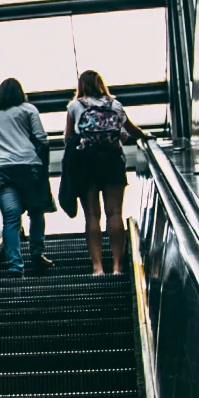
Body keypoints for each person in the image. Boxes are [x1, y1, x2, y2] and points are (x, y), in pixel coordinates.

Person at [0, 77, 53, 275]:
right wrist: (43, 165)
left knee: (11, 218)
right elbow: (42, 139)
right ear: (20, 93)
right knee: (36, 211)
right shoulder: (29, 110)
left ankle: (15, 265)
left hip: (1, 170)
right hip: (28, 167)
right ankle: (37, 253)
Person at [65, 70, 145, 276]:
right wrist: (147, 136)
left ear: (81, 85)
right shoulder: (115, 104)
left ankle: (97, 267)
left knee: (92, 215)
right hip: (113, 163)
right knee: (115, 213)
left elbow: (68, 139)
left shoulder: (75, 106)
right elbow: (130, 131)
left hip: (86, 164)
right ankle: (118, 266)